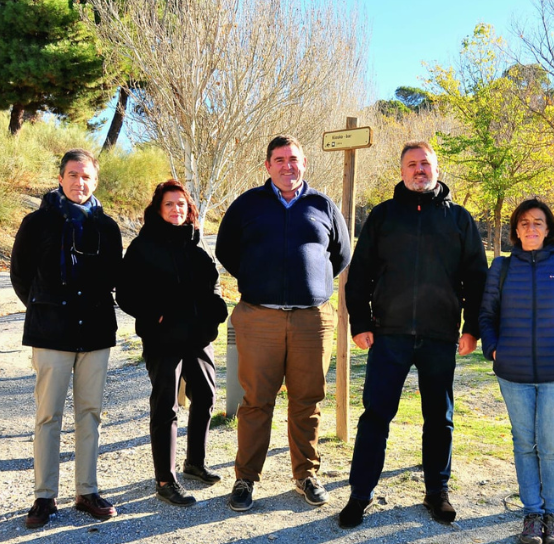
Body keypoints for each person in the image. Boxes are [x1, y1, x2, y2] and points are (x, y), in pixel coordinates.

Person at [338, 140, 488, 528]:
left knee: (439, 418)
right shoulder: (383, 216)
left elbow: (477, 279)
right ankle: (360, 494)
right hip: (389, 335)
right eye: (411, 164)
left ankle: (437, 491)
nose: (419, 170)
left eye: (425, 163)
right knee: (375, 416)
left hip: (440, 336)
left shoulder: (459, 219)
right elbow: (359, 274)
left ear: (437, 169)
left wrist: (472, 328)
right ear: (402, 171)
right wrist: (361, 322)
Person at [215, 134, 351, 512]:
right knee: (256, 401)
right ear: (267, 166)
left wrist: (313, 284)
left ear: (304, 163)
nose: (287, 166)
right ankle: (245, 478)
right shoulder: (248, 204)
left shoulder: (322, 205)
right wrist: (257, 279)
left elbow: (341, 254)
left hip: (312, 321)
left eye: (294, 159)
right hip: (259, 318)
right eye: (279, 160)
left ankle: (306, 474)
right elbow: (225, 249)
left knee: (307, 400)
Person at [10, 149, 122, 528]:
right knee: (49, 415)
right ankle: (44, 496)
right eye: (73, 175)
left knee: (90, 414)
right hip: (50, 334)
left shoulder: (107, 227)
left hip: (95, 333)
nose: (79, 182)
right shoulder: (37, 222)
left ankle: (86, 491)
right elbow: (21, 276)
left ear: (96, 181)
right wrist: (44, 309)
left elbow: (115, 278)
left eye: (86, 176)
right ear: (61, 179)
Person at [478, 199, 554, 544]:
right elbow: (487, 315)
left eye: (538, 223)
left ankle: (553, 516)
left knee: (552, 445)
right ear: (516, 229)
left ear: (548, 229)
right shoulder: (501, 267)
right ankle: (532, 514)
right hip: (513, 373)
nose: (531, 228)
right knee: (525, 444)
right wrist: (494, 349)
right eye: (524, 222)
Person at [116, 180, 228, 507]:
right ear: (158, 209)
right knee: (167, 405)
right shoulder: (143, 246)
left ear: (188, 208)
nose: (176, 209)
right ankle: (165, 479)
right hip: (162, 338)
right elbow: (125, 293)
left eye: (181, 204)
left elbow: (213, 282)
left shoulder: (196, 241)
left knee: (205, 395)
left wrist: (215, 310)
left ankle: (194, 463)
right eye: (169, 204)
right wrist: (156, 316)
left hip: (198, 336)